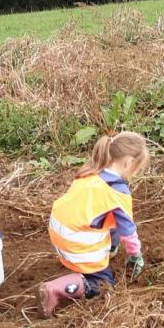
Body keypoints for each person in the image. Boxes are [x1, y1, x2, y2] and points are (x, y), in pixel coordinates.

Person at [38, 132, 150, 316]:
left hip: (59, 231)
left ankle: (108, 252)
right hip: (76, 244)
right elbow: (128, 231)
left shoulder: (91, 171)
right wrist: (135, 254)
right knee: (104, 285)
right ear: (129, 162)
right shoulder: (117, 191)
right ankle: (55, 289)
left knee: (109, 217)